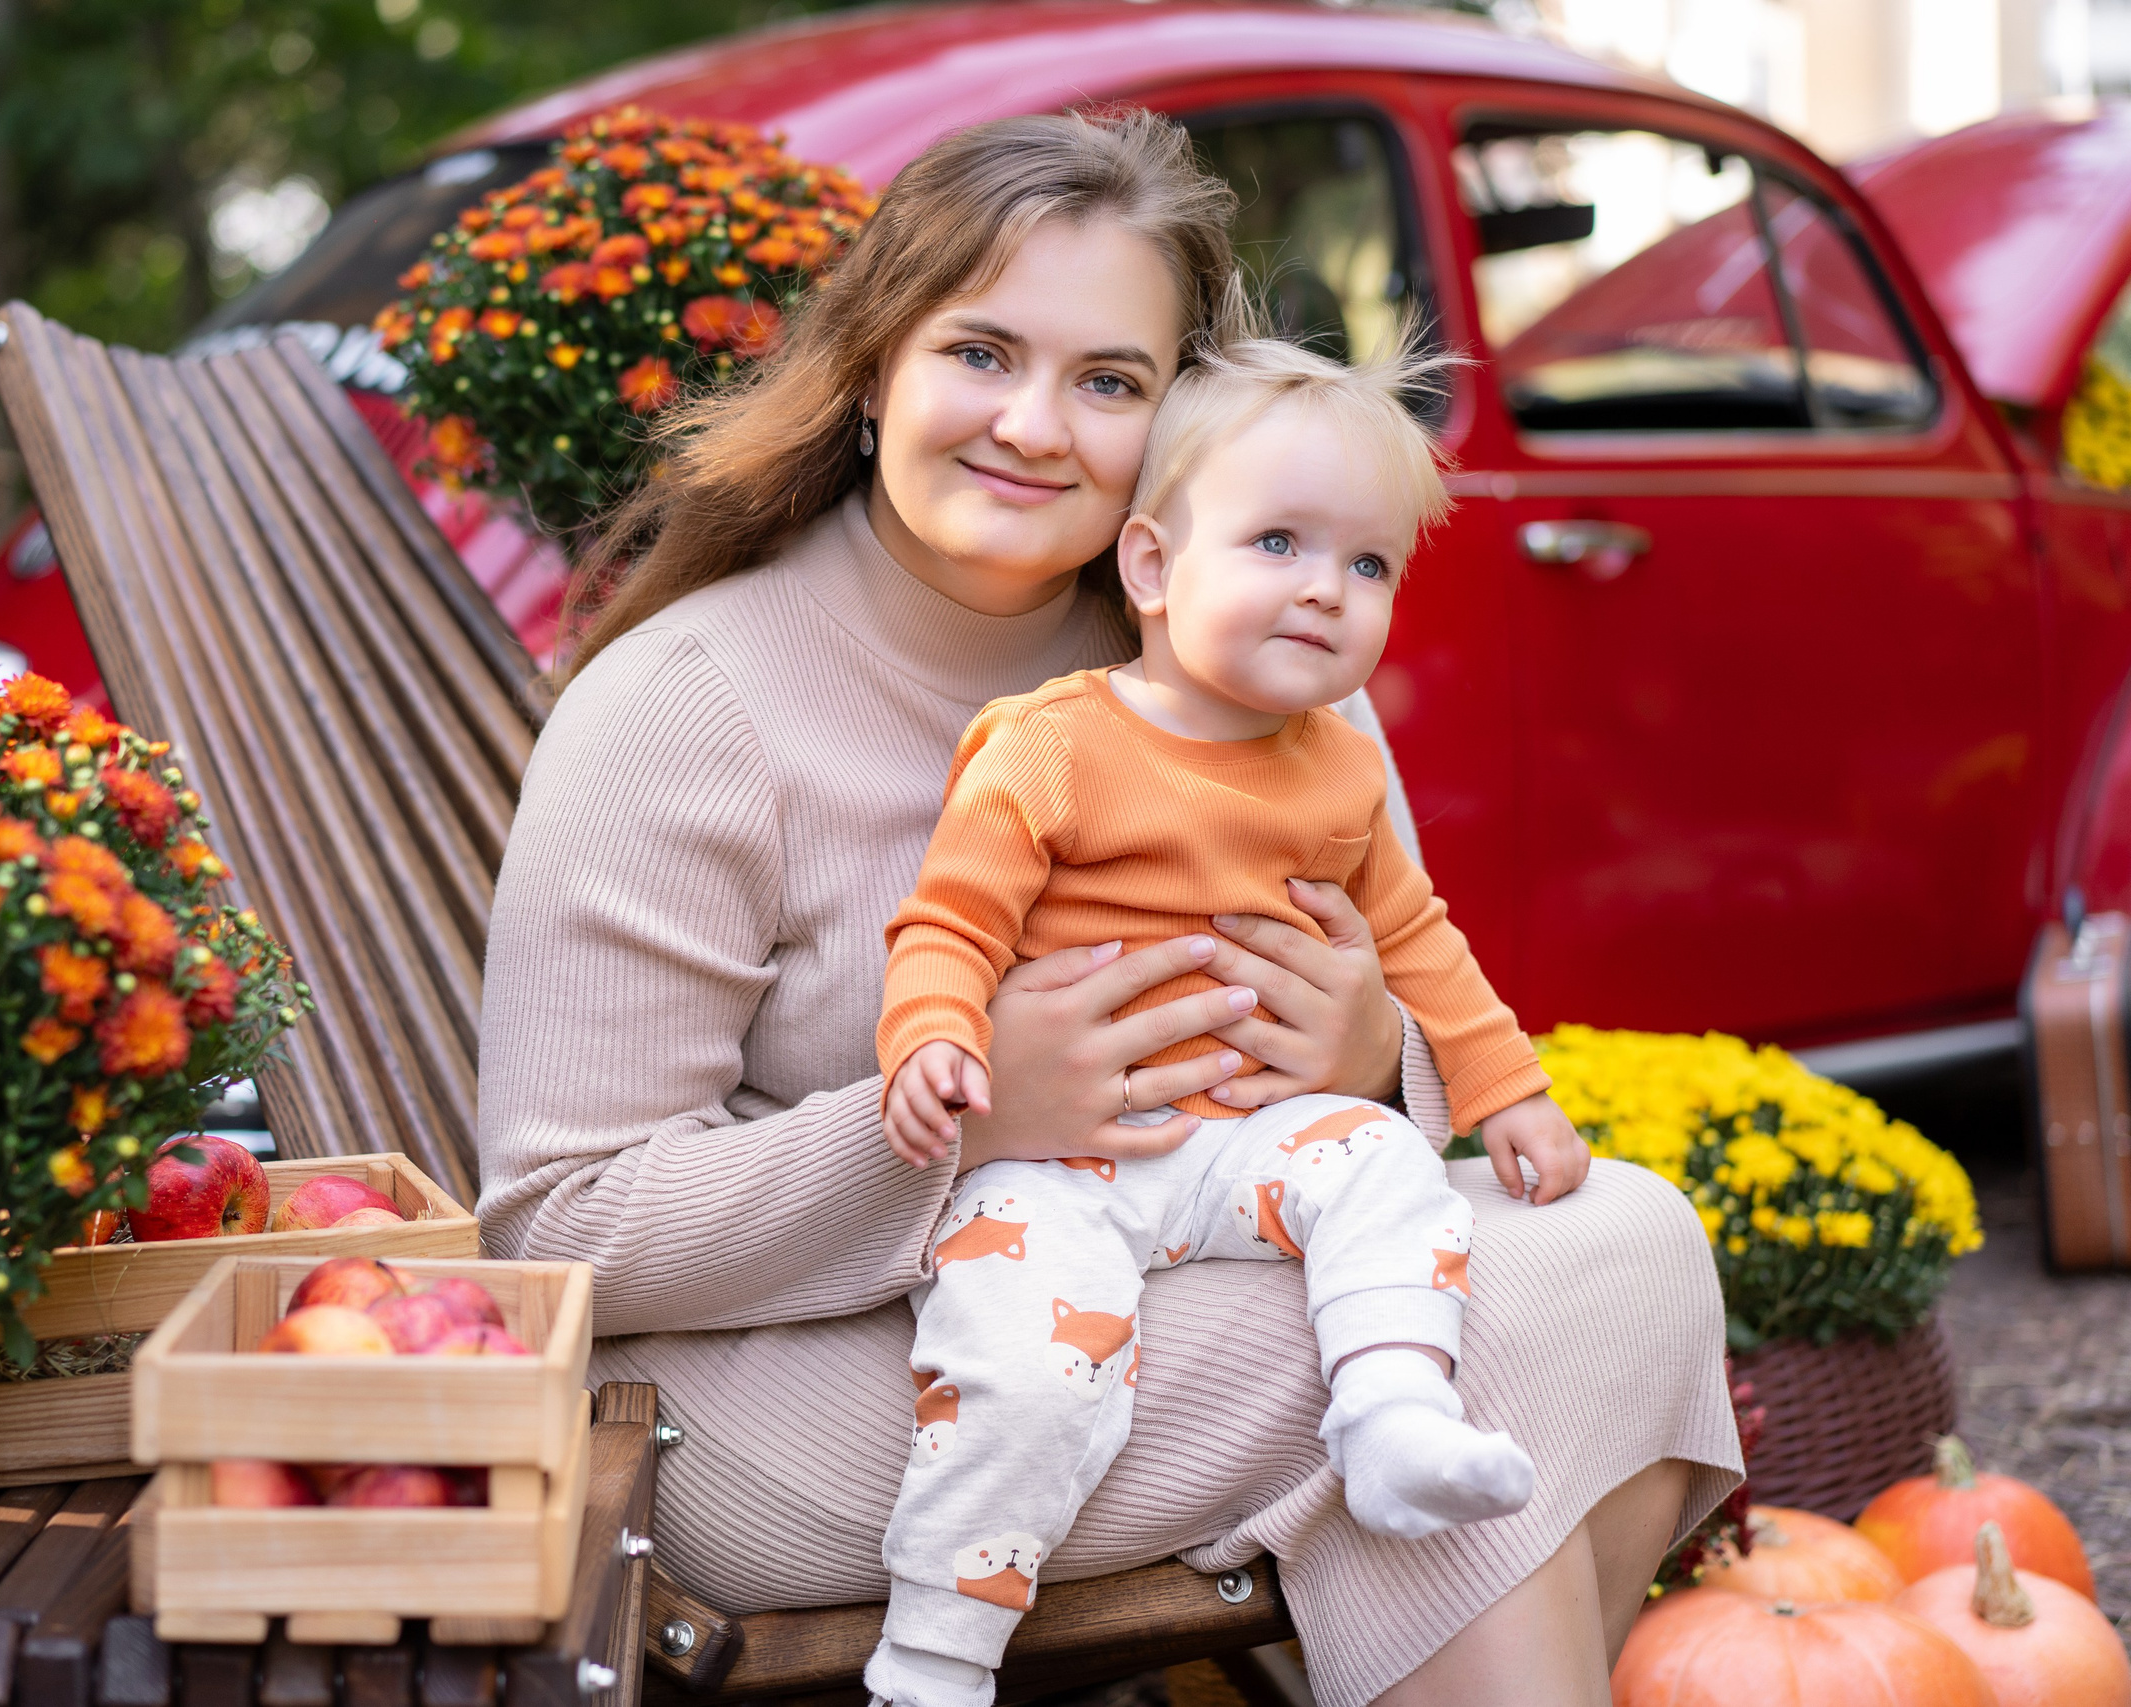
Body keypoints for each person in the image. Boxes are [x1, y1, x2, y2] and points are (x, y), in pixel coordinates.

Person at [477, 108, 1742, 1707]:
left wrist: (1370, 1059)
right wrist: (953, 1115)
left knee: (1625, 1243)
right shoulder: (689, 706)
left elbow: (1399, 1013)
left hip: (1184, 1267)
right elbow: (560, 1227)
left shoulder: (1246, 652)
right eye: (981, 352)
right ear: (875, 369)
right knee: (1552, 1314)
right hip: (799, 1388)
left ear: (1178, 427)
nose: (1032, 425)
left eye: (1109, 381)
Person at [865, 336, 1590, 1707]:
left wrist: (1508, 1093)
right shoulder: (1054, 744)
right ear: (1150, 567)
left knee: (1380, 1171)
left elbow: (1416, 940)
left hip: (1241, 1152)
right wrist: (935, 1039)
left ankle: (1392, 1415)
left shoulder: (1338, 763)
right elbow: (949, 922)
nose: (1327, 588)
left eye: (1368, 565)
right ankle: (934, 1664)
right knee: (1020, 1376)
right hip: (1055, 1170)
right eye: (1278, 542)